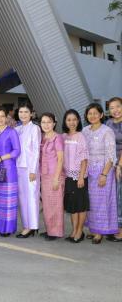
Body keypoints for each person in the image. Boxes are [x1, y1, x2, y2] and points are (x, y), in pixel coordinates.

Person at [83, 103, 117, 244]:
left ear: (101, 115)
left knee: (102, 202)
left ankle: (100, 232)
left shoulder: (107, 131)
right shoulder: (85, 130)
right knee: (91, 202)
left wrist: (104, 174)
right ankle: (93, 228)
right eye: (90, 113)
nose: (92, 116)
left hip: (103, 171)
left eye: (95, 113)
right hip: (88, 171)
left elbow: (111, 155)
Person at [0, 107, 20, 237]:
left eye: (2, 116)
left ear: (6, 118)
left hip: (9, 170)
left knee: (9, 201)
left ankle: (8, 229)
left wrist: (1, 158)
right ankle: (0, 227)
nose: (0, 119)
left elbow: (17, 151)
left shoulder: (11, 132)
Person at [62, 109, 89, 243]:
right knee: (72, 206)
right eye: (69, 120)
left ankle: (79, 231)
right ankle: (73, 230)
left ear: (78, 121)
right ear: (65, 122)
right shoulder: (63, 137)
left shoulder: (80, 136)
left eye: (74, 119)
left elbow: (84, 159)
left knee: (81, 205)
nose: (72, 122)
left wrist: (81, 177)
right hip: (68, 177)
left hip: (79, 177)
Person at [15, 103, 41, 238]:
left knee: (31, 197)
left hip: (30, 168)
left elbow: (36, 150)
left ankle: (32, 226)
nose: (23, 114)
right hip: (18, 167)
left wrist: (33, 170)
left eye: (26, 112)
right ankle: (26, 225)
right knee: (22, 198)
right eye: (21, 112)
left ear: (31, 114)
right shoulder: (17, 129)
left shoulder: (35, 128)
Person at [39, 112, 64, 241]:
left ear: (54, 123)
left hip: (55, 175)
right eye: (43, 122)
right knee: (47, 205)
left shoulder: (57, 138)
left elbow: (60, 159)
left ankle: (55, 232)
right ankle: (50, 229)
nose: (46, 125)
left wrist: (56, 178)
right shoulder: (42, 137)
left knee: (56, 204)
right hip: (44, 175)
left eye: (49, 122)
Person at [105, 97, 122, 242]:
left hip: (120, 164)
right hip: (111, 163)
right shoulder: (108, 123)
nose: (115, 110)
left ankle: (121, 231)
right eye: (112, 108)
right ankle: (114, 227)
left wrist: (119, 166)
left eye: (118, 106)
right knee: (113, 197)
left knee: (120, 196)